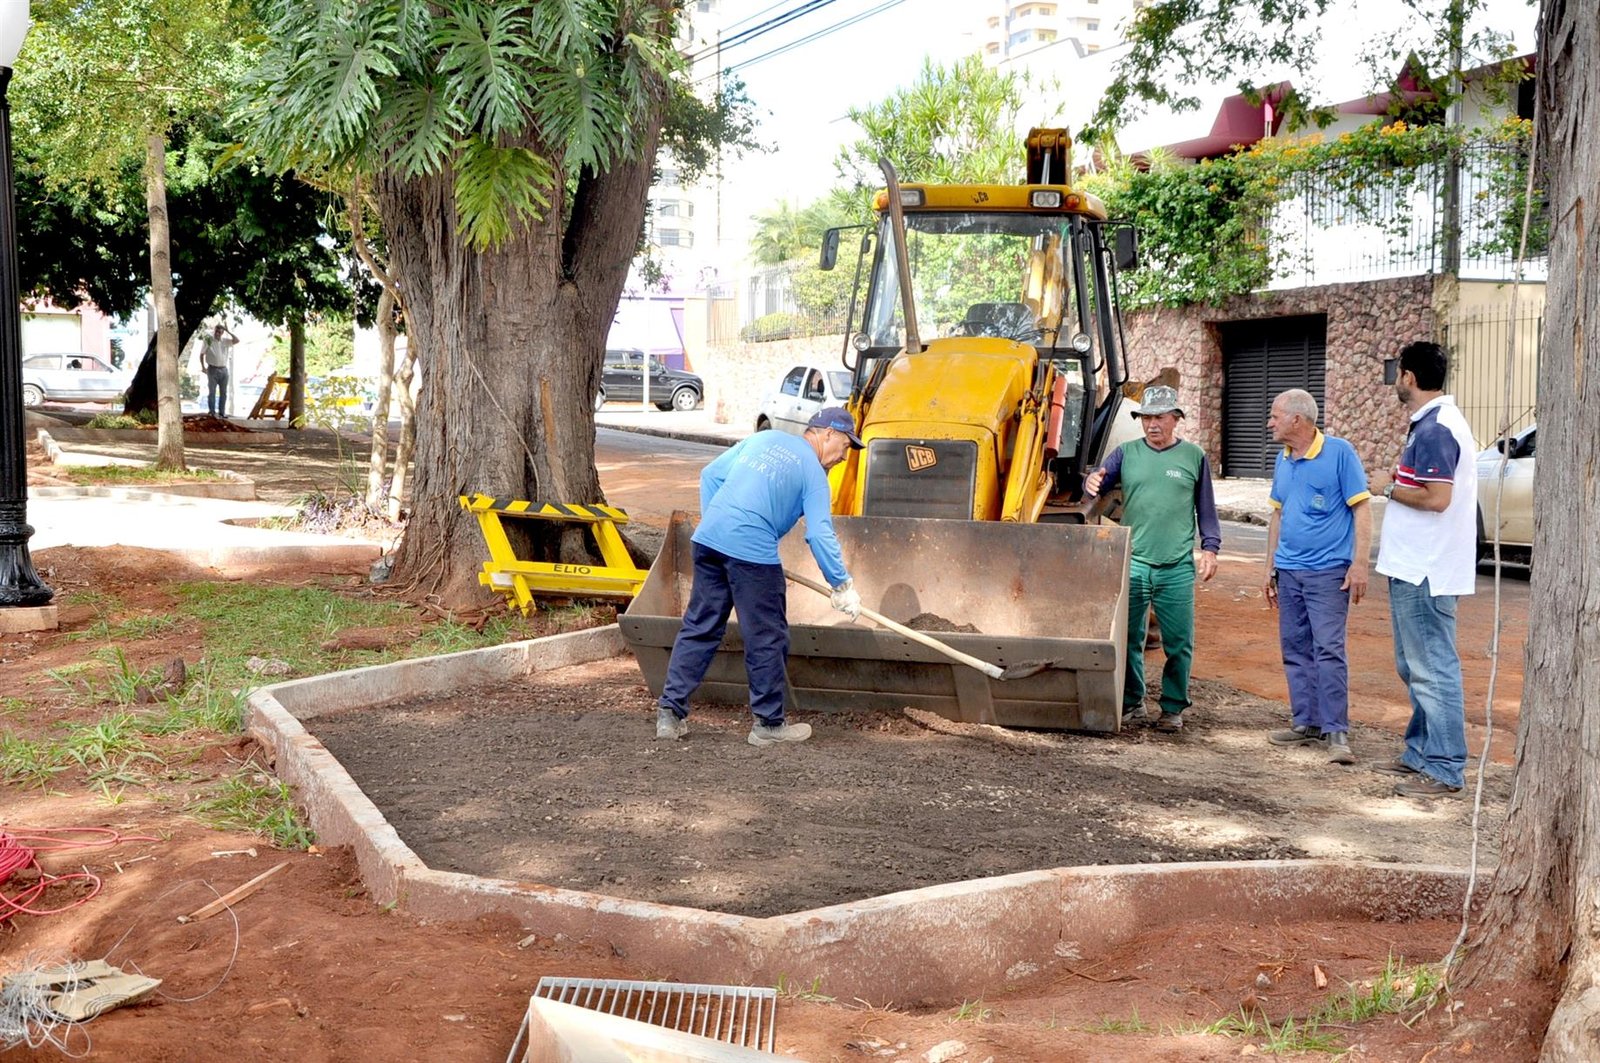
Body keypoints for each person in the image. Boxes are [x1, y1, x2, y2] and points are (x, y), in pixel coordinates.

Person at [656, 406, 865, 747]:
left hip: (709, 541)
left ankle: (669, 714)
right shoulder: (813, 472)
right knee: (766, 636)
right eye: (845, 446)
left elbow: (711, 474)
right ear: (827, 434)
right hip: (751, 552)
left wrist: (723, 530)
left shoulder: (764, 438)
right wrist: (841, 585)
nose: (844, 457)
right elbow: (819, 534)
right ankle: (768, 724)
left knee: (700, 626)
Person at [1369, 341, 1478, 798]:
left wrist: (1387, 488)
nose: (1396, 380)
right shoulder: (1431, 425)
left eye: (1399, 373)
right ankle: (1420, 751)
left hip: (1425, 570)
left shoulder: (1436, 429)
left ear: (1409, 377)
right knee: (1414, 666)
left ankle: (1445, 766)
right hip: (1415, 565)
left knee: (1432, 667)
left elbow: (1437, 499)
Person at [1085, 385, 1221, 733]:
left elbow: (1205, 508)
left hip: (1176, 566)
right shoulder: (1126, 453)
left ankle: (1173, 708)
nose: (1151, 425)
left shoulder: (1193, 457)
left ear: (1176, 418)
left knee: (1179, 642)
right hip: (1135, 564)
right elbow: (1099, 481)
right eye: (1146, 418)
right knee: (1129, 638)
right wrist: (1091, 480)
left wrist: (1210, 547)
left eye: (1159, 417)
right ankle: (1133, 702)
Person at [1262, 389, 1373, 766]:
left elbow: (1362, 510)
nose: (1269, 423)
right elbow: (1277, 515)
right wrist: (1270, 566)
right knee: (1295, 648)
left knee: (1328, 648)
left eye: (1275, 416)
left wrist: (1359, 564)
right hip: (1289, 571)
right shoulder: (1284, 458)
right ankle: (1305, 721)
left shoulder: (1340, 453)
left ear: (1298, 419)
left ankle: (1336, 730)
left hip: (1328, 573)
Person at [198, 323, 239, 417]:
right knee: (212, 392)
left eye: (220, 332)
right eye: (217, 331)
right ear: (214, 330)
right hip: (212, 369)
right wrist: (203, 367)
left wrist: (228, 331)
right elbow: (201, 354)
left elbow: (237, 340)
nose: (218, 333)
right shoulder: (208, 340)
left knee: (223, 393)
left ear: (222, 333)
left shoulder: (225, 341)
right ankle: (212, 412)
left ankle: (222, 412)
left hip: (224, 369)